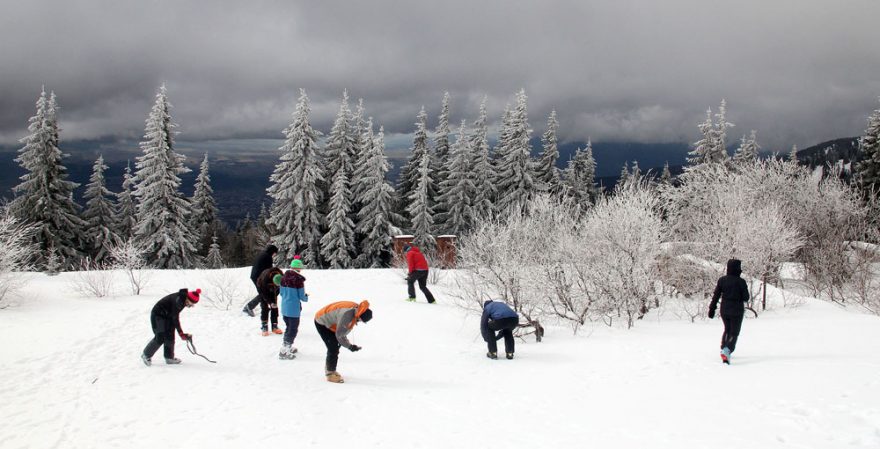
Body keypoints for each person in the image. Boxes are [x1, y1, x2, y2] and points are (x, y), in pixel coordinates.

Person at [313, 300, 372, 383]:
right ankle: (330, 373)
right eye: (361, 320)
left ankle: (330, 369)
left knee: (336, 345)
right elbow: (340, 335)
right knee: (333, 347)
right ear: (360, 316)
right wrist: (350, 346)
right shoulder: (347, 316)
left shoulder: (357, 308)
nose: (360, 322)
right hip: (322, 322)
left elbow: (342, 332)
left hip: (331, 322)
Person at [141, 288, 200, 366]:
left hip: (168, 316)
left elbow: (174, 316)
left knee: (170, 335)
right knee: (160, 336)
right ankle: (146, 355)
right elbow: (175, 319)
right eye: (191, 303)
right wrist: (181, 334)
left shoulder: (183, 300)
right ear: (187, 298)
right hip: (158, 315)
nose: (190, 306)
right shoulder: (179, 300)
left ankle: (169, 358)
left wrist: (182, 334)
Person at [708, 258, 751, 364]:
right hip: (736, 310)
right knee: (734, 332)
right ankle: (727, 350)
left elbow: (716, 295)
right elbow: (746, 297)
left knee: (727, 329)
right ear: (738, 269)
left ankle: (724, 348)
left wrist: (712, 309)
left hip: (724, 309)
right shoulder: (741, 282)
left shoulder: (722, 280)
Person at [278, 257, 309, 359]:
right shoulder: (298, 280)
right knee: (293, 329)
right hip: (293, 309)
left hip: (284, 307)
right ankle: (284, 350)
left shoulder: (283, 278)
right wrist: (306, 296)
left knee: (288, 327)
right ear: (299, 269)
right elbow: (302, 297)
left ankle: (287, 346)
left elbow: (281, 293)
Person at [242, 244, 278, 317]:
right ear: (272, 251)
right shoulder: (268, 257)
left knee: (263, 293)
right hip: (258, 277)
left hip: (256, 276)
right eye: (275, 253)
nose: (275, 255)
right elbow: (269, 270)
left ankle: (263, 307)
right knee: (263, 293)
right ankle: (249, 307)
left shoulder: (263, 254)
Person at [255, 266, 284, 336]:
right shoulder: (265, 279)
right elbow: (264, 293)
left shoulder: (282, 276)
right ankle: (264, 326)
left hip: (273, 290)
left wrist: (273, 301)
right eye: (276, 285)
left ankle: (274, 325)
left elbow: (281, 289)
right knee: (265, 307)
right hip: (261, 287)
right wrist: (270, 302)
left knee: (274, 307)